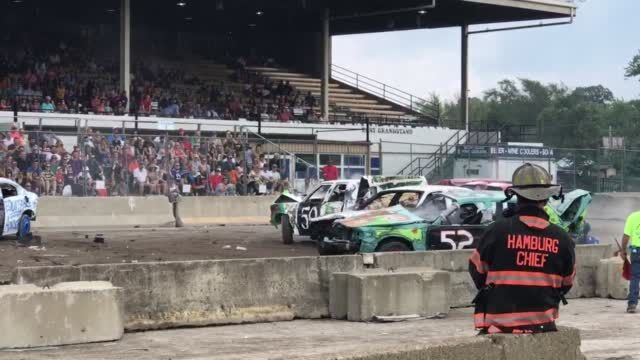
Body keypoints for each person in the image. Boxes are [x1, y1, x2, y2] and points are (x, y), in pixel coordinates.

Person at [469, 163, 575, 334]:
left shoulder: (496, 231)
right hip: (542, 326)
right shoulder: (562, 238)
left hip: (499, 325)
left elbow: (477, 270)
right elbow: (566, 283)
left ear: (516, 195)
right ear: (547, 198)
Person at [621, 210, 640, 313]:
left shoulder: (632, 217)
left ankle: (632, 304)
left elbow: (626, 236)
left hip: (636, 252)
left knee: (635, 278)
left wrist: (623, 250)